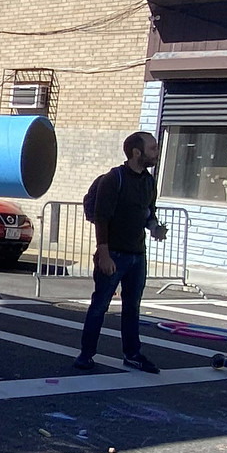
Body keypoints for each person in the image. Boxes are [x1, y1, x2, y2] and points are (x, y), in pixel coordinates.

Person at [75, 130, 166, 373]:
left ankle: (132, 354)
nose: (156, 153)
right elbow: (102, 218)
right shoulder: (114, 179)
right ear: (137, 152)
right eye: (153, 148)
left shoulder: (148, 181)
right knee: (99, 306)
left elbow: (148, 212)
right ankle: (86, 354)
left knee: (132, 306)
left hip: (137, 254)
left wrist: (155, 228)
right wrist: (103, 254)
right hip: (114, 254)